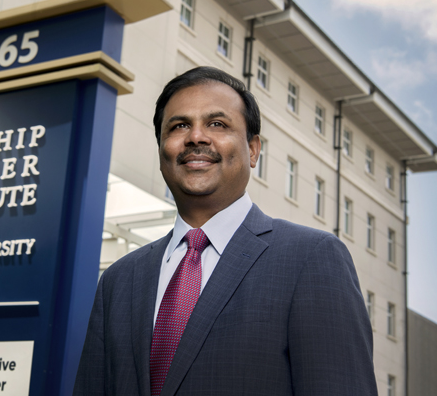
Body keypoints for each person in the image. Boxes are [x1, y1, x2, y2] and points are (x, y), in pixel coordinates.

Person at [73, 67, 377, 396]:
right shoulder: (118, 280)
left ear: (253, 150)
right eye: (179, 126)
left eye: (217, 124)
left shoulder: (312, 259)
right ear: (162, 149)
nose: (196, 137)